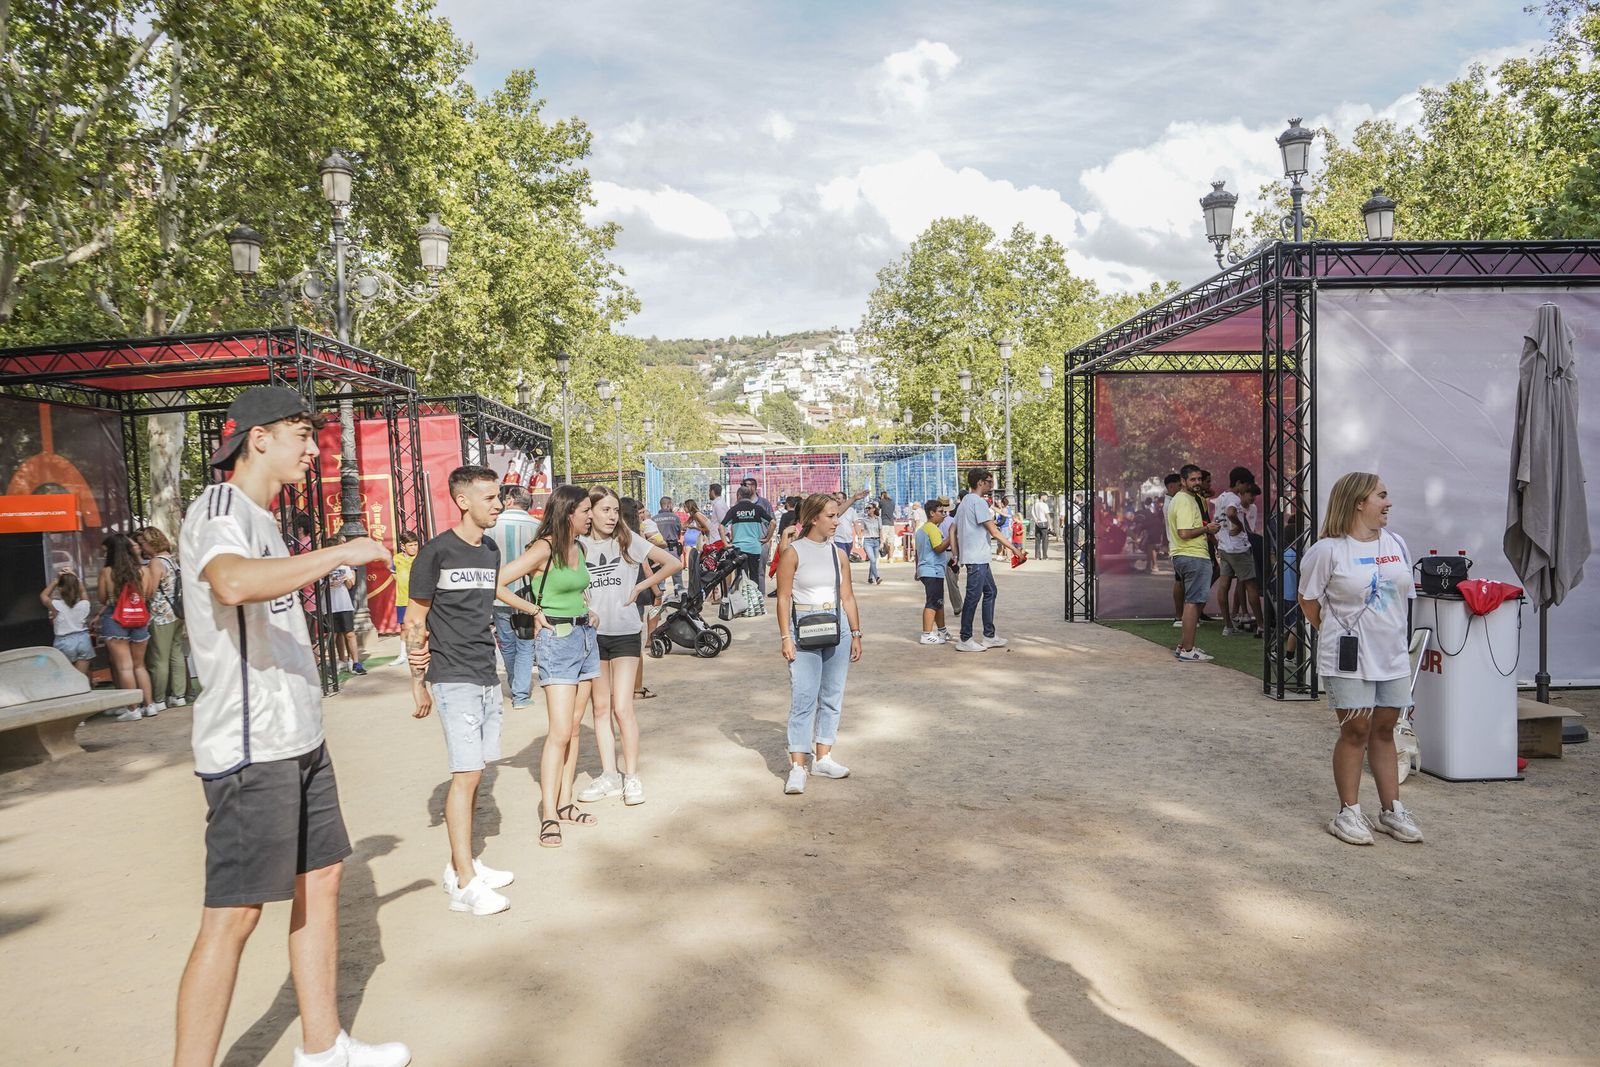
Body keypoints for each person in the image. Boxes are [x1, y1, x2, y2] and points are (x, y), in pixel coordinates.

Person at [173, 386, 406, 1067]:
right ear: (258, 438)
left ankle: (323, 1046)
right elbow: (232, 583)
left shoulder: (266, 518)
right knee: (235, 914)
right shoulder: (219, 508)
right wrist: (340, 554)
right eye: (302, 433)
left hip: (297, 737)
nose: (313, 448)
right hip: (251, 747)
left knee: (324, 875)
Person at [403, 465, 517, 916]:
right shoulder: (435, 553)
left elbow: (486, 605)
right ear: (463, 500)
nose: (499, 504)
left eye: (500, 496)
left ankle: (461, 865)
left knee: (478, 769)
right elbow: (415, 619)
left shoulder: (489, 550)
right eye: (490, 497)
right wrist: (418, 684)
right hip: (452, 677)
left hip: (486, 673)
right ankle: (466, 885)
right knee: (466, 774)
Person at [1299, 471, 1423, 847]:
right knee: (1356, 731)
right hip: (1348, 659)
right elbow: (1308, 600)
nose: (1388, 503)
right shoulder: (1328, 550)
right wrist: (1338, 634)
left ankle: (1391, 810)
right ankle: (1348, 812)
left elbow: (1405, 597)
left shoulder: (1396, 542)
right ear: (1358, 502)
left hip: (1392, 655)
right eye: (1381, 496)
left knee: (1385, 731)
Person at [496, 484, 599, 849]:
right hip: (556, 641)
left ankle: (567, 802)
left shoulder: (579, 547)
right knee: (558, 731)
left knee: (573, 728)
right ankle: (549, 814)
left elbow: (576, 588)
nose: (591, 516)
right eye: (586, 510)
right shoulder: (545, 547)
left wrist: (588, 608)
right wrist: (534, 611)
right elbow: (498, 584)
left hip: (586, 639)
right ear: (568, 512)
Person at [575, 487, 683, 807]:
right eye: (605, 510)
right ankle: (609, 774)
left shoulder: (627, 541)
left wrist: (641, 586)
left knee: (622, 708)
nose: (611, 516)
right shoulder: (578, 546)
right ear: (589, 512)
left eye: (614, 510)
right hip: (592, 636)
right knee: (600, 709)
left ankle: (631, 776)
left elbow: (672, 563)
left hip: (623, 633)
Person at [775, 493, 862, 795]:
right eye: (831, 516)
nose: (837, 521)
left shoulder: (838, 553)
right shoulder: (794, 552)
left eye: (837, 515)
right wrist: (786, 636)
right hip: (804, 629)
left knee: (832, 696)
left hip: (837, 627)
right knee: (804, 698)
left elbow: (847, 595)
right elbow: (783, 597)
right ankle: (798, 765)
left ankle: (823, 757)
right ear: (814, 518)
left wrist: (856, 631)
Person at [951, 469, 1020, 653]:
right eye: (989, 481)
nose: (991, 485)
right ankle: (965, 638)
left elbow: (952, 529)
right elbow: (994, 531)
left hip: (975, 556)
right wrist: (1014, 549)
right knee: (974, 597)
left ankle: (989, 635)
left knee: (990, 591)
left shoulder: (965, 501)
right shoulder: (979, 503)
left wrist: (956, 554)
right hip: (977, 557)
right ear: (980, 482)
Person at [487, 485, 540, 709]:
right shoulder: (537, 527)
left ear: (509, 500)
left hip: (498, 595)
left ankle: (515, 685)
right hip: (528, 596)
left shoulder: (491, 526)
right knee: (526, 643)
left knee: (507, 643)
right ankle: (520, 694)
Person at [98, 532, 155, 720]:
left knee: (124, 667)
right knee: (140, 666)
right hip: (140, 619)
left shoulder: (107, 572)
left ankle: (133, 709)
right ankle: (150, 705)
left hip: (115, 620)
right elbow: (147, 595)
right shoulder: (144, 571)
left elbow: (102, 598)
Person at [1168, 464, 1220, 662]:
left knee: (1194, 601)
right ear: (1182, 481)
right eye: (1193, 479)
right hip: (1192, 555)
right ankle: (1188, 649)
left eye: (1199, 479)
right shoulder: (1184, 501)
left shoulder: (1190, 499)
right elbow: (1184, 533)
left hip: (1189, 555)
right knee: (1193, 602)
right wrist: (1208, 530)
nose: (1198, 483)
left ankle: (1185, 646)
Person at [138, 525, 189, 712]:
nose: (142, 547)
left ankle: (158, 698)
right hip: (177, 612)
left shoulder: (156, 563)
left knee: (159, 658)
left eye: (143, 543)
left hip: (161, 615)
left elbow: (150, 590)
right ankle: (179, 695)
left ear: (151, 543)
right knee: (176, 654)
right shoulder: (172, 560)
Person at [1213, 467, 1264, 637]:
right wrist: (1240, 525)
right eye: (1246, 485)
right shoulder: (1233, 498)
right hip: (1239, 548)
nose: (1246, 490)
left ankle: (1228, 625)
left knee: (1224, 585)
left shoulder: (1221, 497)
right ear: (1239, 483)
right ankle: (1261, 625)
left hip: (1224, 547)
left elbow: (1220, 516)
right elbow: (1231, 512)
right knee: (1251, 586)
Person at [41, 570, 93, 677]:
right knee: (80, 677)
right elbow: (83, 593)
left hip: (64, 642)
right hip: (83, 640)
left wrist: (56, 581)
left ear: (60, 589)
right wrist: (76, 578)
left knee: (67, 676)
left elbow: (44, 596)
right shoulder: (84, 605)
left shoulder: (56, 605)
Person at [915, 499, 952, 644]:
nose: (944, 515)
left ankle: (941, 630)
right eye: (941, 512)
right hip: (932, 570)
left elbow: (918, 553)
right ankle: (926, 634)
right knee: (932, 602)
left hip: (928, 570)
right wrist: (951, 537)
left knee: (938, 602)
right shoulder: (932, 529)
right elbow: (938, 548)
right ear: (932, 513)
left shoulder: (922, 530)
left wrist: (917, 570)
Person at [722, 484, 773, 589]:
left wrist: (725, 543)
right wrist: (767, 538)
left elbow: (721, 526)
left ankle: (742, 600)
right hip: (754, 547)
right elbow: (773, 523)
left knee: (741, 576)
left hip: (739, 548)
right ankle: (755, 600)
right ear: (750, 496)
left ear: (738, 496)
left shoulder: (734, 510)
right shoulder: (757, 509)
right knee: (754, 575)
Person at [325, 539, 363, 676]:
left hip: (344, 604)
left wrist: (345, 579)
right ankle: (336, 662)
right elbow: (317, 586)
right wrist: (328, 582)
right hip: (328, 605)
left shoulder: (345, 566)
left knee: (349, 633)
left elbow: (350, 585)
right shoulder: (322, 566)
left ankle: (356, 662)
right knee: (332, 635)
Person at [740, 477, 776, 593]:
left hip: (760, 543)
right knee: (743, 572)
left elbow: (772, 522)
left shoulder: (764, 503)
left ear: (754, 487)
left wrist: (768, 539)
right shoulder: (740, 504)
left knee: (759, 572)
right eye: (744, 485)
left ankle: (760, 597)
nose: (745, 487)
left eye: (747, 485)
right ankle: (745, 597)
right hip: (744, 543)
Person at [652, 497, 685, 593]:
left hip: (659, 551)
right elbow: (679, 534)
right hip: (673, 549)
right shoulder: (675, 518)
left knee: (660, 575)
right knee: (677, 575)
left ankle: (660, 597)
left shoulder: (654, 519)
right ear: (669, 504)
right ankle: (679, 596)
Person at [393, 529, 418, 630]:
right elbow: (393, 574)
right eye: (410, 545)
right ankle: (404, 646)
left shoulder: (421, 558)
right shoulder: (396, 559)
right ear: (403, 546)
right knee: (404, 627)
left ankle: (418, 646)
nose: (414, 548)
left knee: (418, 626)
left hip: (417, 600)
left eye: (415, 545)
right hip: (402, 600)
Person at [860, 502, 884, 585]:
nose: (868, 509)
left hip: (876, 541)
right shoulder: (864, 519)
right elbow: (862, 531)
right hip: (868, 541)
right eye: (867, 508)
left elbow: (881, 530)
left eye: (869, 508)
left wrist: (882, 542)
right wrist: (860, 539)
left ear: (874, 509)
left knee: (873, 561)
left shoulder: (878, 519)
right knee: (872, 559)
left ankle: (870, 578)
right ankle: (877, 577)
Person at [1030, 493, 1053, 560]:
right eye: (1046, 497)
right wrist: (1050, 525)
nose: (1047, 498)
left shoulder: (1035, 505)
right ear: (1042, 497)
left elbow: (1032, 513)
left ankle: (1037, 556)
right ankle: (1044, 556)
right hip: (1044, 523)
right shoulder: (1044, 505)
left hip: (1037, 523)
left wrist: (1036, 520)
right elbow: (1047, 515)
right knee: (1045, 540)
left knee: (1037, 540)